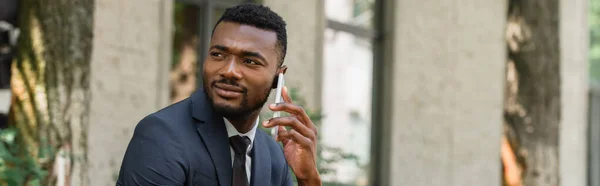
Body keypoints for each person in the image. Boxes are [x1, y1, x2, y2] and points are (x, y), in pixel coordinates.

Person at [116, 3, 321, 186]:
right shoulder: (163, 135)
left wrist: (308, 179)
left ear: (278, 77)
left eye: (250, 61)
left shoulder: (273, 156)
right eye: (218, 55)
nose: (228, 70)